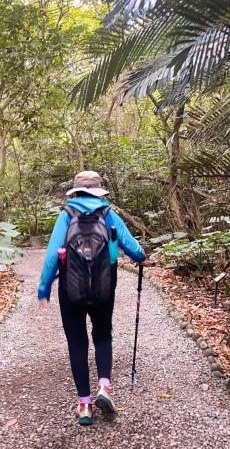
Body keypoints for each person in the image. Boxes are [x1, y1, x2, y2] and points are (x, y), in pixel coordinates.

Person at [38, 171, 146, 426]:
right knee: (103, 335)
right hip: (104, 288)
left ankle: (85, 405)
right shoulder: (108, 215)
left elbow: (53, 256)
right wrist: (141, 257)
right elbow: (132, 248)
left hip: (70, 290)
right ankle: (105, 387)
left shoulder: (66, 216)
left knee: (77, 343)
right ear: (99, 191)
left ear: (75, 191)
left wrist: (43, 290)